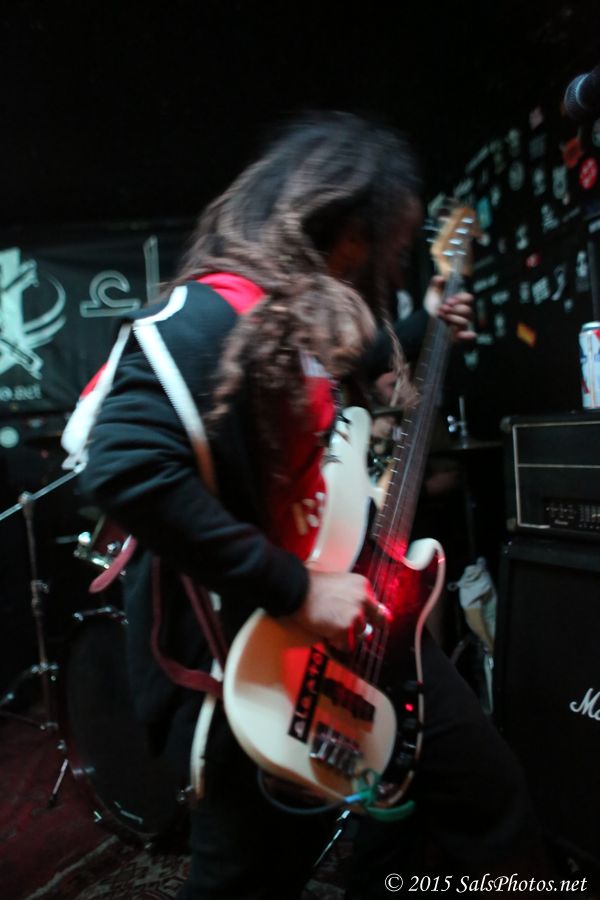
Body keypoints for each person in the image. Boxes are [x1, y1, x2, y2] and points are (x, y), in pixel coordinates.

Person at [79, 112, 550, 899]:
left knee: (485, 797)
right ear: (352, 233)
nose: (390, 267)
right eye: (391, 246)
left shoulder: (299, 317)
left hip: (359, 633)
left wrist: (427, 320)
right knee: (249, 877)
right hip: (258, 661)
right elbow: (124, 467)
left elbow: (354, 361)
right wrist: (296, 588)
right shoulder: (208, 316)